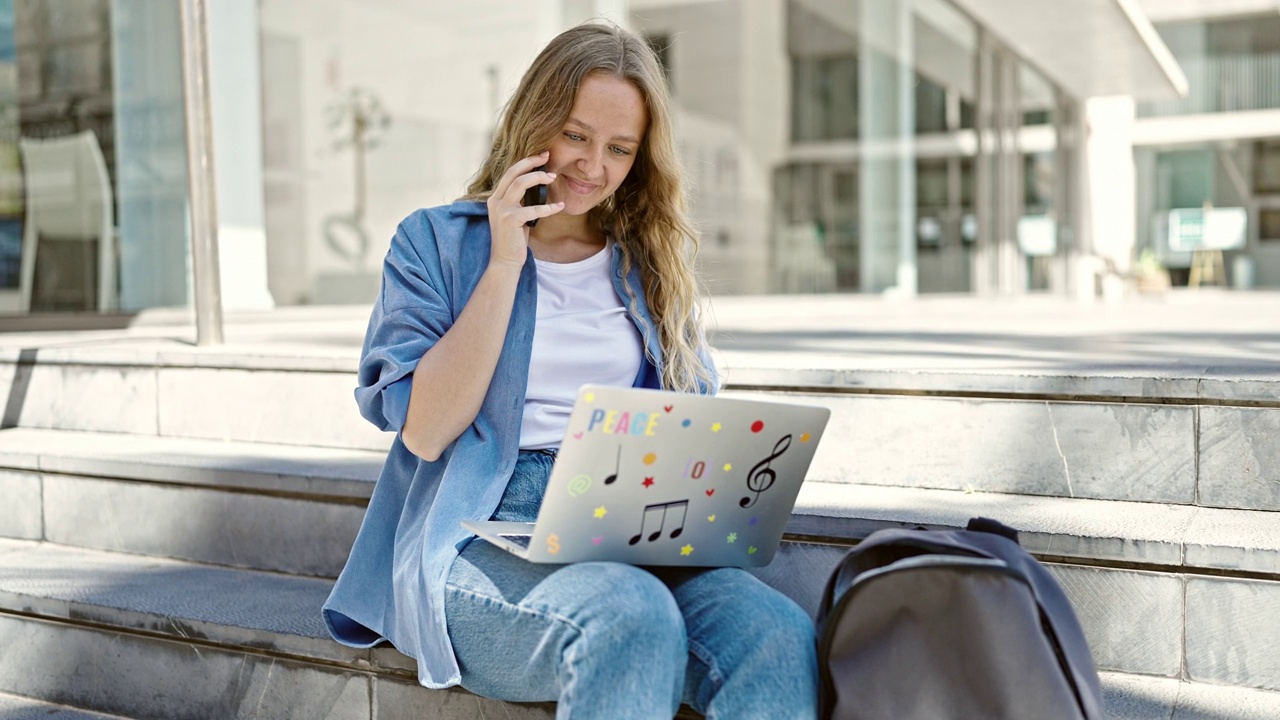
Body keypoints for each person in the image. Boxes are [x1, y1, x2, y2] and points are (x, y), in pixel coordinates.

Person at [322, 21, 818, 719]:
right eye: (577, 136)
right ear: (537, 119)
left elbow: (692, 420)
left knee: (775, 634)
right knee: (628, 614)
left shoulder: (645, 260)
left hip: (626, 518)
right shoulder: (434, 243)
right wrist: (503, 261)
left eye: (619, 148)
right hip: (481, 529)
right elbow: (426, 432)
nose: (593, 166)